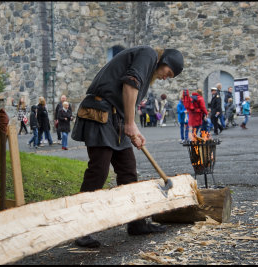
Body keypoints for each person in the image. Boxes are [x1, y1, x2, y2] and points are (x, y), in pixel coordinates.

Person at [71, 46, 184, 248]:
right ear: (165, 60)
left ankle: (136, 223)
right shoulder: (149, 55)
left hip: (117, 118)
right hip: (100, 112)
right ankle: (82, 228)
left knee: (128, 171)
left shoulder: (149, 67)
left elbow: (128, 99)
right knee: (98, 170)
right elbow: (130, 85)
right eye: (169, 72)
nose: (167, 77)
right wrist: (131, 124)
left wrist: (134, 129)